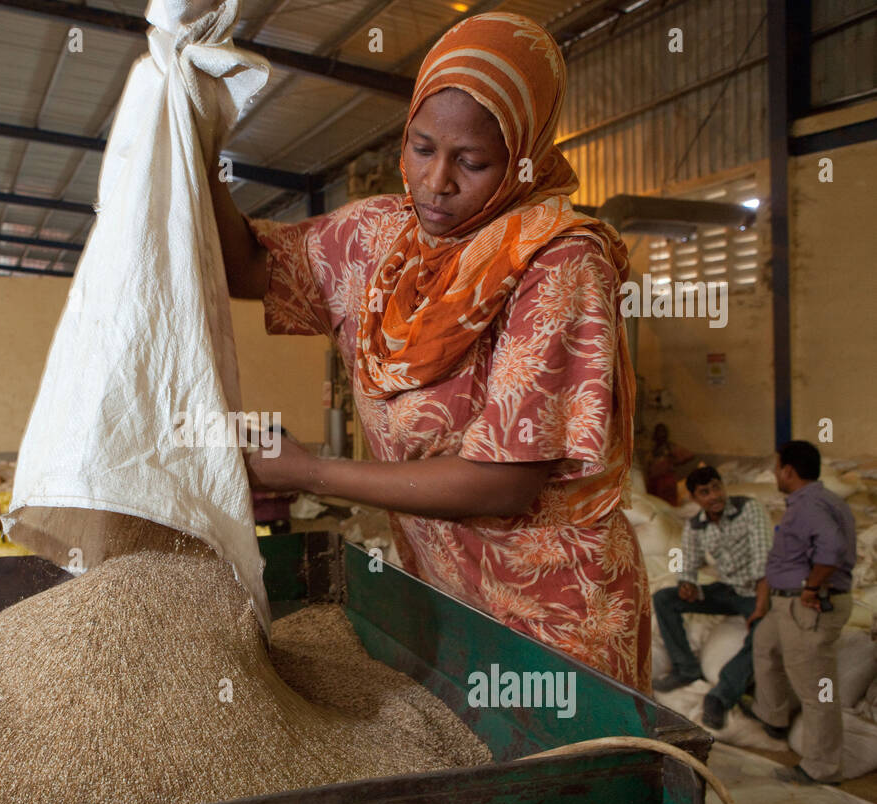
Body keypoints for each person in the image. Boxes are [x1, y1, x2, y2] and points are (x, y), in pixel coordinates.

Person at [207, 12, 650, 690]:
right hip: (446, 600)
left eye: (472, 162)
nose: (436, 182)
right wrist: (191, 142)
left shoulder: (554, 262)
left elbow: (504, 480)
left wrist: (311, 473)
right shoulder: (379, 237)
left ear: (523, 154)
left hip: (553, 621)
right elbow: (246, 267)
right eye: (420, 148)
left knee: (554, 784)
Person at [745, 441, 856, 784]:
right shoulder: (821, 500)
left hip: (806, 605)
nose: (776, 474)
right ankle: (774, 717)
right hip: (787, 604)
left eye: (777, 467)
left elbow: (833, 548)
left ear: (788, 471)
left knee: (816, 689)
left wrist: (810, 587)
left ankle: (822, 767)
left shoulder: (809, 506)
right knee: (765, 645)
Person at [650, 466, 772, 726]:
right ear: (695, 499)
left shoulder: (748, 509)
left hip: (755, 590)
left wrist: (761, 607)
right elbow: (689, 565)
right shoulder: (696, 526)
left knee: (763, 632)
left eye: (717, 487)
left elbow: (765, 562)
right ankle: (686, 668)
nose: (714, 495)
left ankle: (720, 696)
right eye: (705, 492)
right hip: (726, 590)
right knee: (664, 599)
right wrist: (687, 585)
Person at [644, 423, 693, 505]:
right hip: (653, 481)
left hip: (666, 481)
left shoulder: (670, 447)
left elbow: (690, 455)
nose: (661, 434)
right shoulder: (653, 449)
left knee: (668, 505)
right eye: (659, 432)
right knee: (654, 505)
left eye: (663, 432)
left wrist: (675, 462)